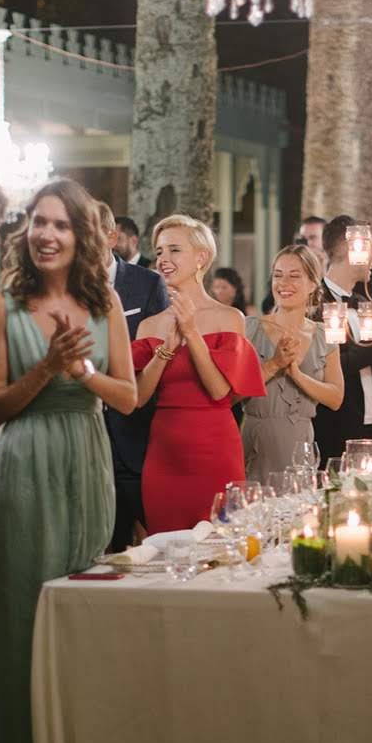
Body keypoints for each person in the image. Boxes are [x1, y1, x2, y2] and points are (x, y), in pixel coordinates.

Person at [0, 178, 138, 743]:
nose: (46, 234)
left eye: (59, 224)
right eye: (37, 222)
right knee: (24, 618)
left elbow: (127, 397)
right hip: (26, 466)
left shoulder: (105, 305)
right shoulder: (5, 306)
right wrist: (48, 367)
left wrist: (81, 373)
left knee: (78, 619)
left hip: (86, 465)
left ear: (81, 236)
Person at [132, 215, 264, 534]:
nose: (163, 259)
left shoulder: (229, 317)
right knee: (164, 549)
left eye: (174, 250)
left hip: (215, 451)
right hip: (164, 454)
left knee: (222, 547)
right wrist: (166, 349)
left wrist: (191, 333)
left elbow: (219, 391)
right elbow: (139, 398)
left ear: (201, 257)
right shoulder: (149, 325)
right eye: (159, 251)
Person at [98, 203, 169, 552]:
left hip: (135, 432)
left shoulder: (147, 284)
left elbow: (161, 355)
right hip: (85, 435)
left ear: (112, 237)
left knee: (151, 547)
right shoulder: (64, 287)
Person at [241, 244, 343, 478]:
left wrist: (296, 374)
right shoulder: (249, 328)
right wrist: (274, 365)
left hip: (300, 445)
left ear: (312, 284)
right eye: (278, 275)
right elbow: (231, 394)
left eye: (294, 276)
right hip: (255, 441)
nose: (283, 283)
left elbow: (336, 398)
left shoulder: (323, 335)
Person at [312, 215, 372, 462]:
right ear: (352, 247)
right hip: (335, 426)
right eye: (371, 249)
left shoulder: (363, 303)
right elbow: (336, 365)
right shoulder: (315, 303)